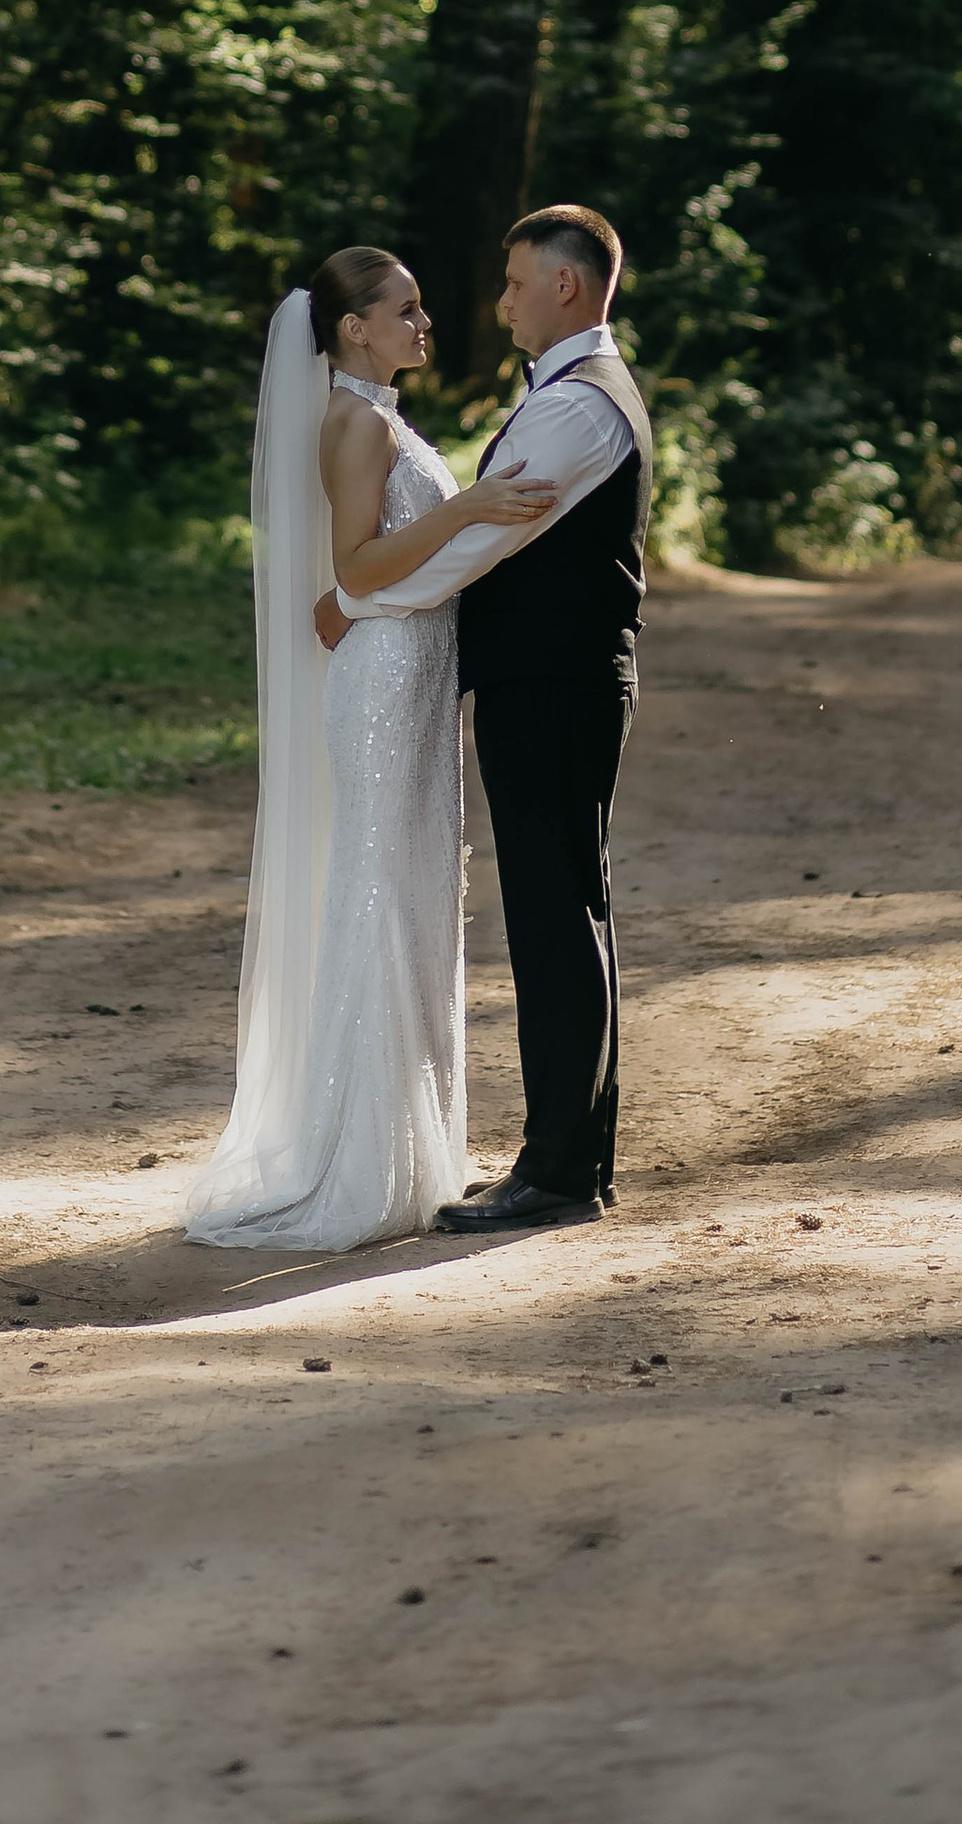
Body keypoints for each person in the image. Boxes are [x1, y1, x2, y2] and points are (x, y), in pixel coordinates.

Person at [183, 248, 556, 1252]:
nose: (425, 323)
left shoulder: (384, 419)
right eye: (407, 310)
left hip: (417, 673)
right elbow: (357, 563)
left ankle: (408, 1152)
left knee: (416, 894)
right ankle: (356, 1162)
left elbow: (366, 572)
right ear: (353, 328)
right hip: (384, 680)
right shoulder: (352, 425)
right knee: (379, 894)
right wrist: (470, 505)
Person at [320, 203, 648, 1233]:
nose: (496, 301)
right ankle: (570, 1158)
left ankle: (555, 1172)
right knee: (567, 912)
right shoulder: (576, 392)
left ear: (563, 285)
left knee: (555, 919)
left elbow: (475, 551)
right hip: (551, 678)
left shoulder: (576, 410)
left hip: (550, 683)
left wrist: (353, 603)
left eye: (512, 282)